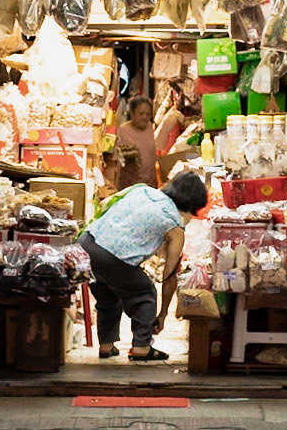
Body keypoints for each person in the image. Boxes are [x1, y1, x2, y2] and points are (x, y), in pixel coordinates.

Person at [78, 172, 207, 363]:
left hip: (87, 245)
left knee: (108, 295)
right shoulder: (175, 225)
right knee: (144, 293)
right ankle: (141, 346)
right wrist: (163, 314)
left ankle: (106, 345)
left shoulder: (142, 191)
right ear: (192, 204)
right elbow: (170, 275)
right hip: (113, 256)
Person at [115, 95, 159, 190]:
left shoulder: (151, 128)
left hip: (149, 186)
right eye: (141, 113)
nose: (144, 117)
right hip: (130, 187)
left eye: (148, 114)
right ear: (132, 113)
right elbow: (116, 160)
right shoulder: (122, 131)